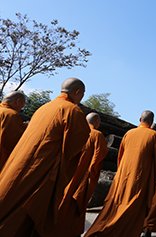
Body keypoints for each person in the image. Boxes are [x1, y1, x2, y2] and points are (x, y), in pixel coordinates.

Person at [0, 78, 90, 236]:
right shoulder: (72, 111)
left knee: (9, 197)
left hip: (18, 164)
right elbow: (77, 145)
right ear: (77, 92)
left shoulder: (44, 108)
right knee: (24, 214)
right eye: (82, 93)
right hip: (40, 170)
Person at [85, 110, 156, 237]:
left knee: (117, 204)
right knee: (133, 208)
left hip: (123, 176)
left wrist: (121, 172)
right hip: (140, 180)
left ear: (140, 119)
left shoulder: (128, 133)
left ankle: (105, 227)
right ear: (152, 122)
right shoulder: (154, 137)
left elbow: (120, 157)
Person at [48, 112, 108, 237]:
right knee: (73, 208)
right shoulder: (97, 135)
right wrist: (91, 173)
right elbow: (99, 157)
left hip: (65, 175)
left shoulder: (75, 131)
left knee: (61, 200)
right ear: (96, 122)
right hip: (81, 178)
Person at [0, 90, 26, 170]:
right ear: (18, 102)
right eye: (23, 104)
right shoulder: (11, 115)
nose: (22, 108)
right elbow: (14, 141)